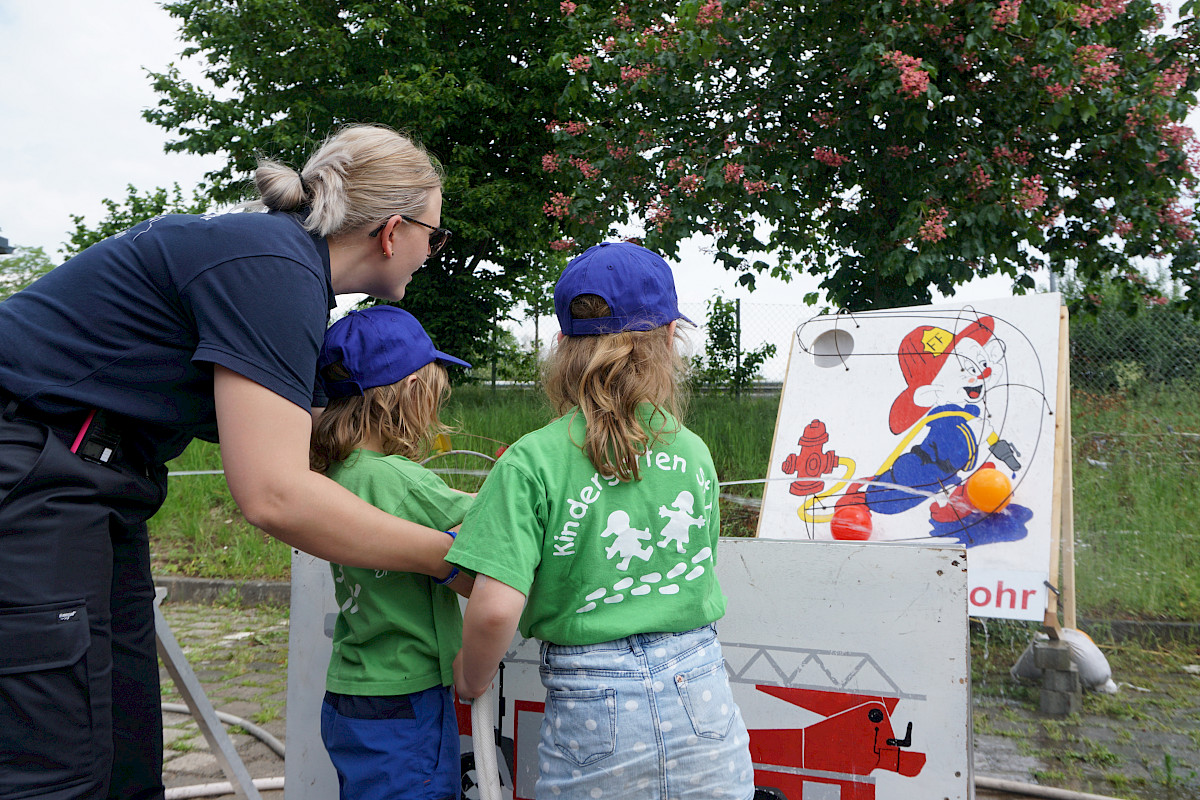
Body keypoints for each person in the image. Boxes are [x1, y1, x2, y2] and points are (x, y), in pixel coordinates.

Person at [0, 124, 468, 800]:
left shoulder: (284, 272)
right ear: (393, 231)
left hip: (99, 480)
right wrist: (453, 557)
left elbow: (311, 442)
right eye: (436, 236)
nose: (433, 252)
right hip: (33, 470)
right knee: (53, 768)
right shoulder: (273, 269)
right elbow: (275, 493)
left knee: (125, 753)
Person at [448, 242, 755, 800]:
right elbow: (699, 558)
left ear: (562, 346)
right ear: (668, 341)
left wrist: (470, 675)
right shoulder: (693, 451)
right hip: (704, 690)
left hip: (594, 702)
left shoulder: (531, 460)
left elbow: (494, 610)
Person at [310, 305, 473, 800]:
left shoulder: (331, 477)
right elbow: (492, 528)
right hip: (409, 696)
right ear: (410, 395)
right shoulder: (401, 479)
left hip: (350, 693)